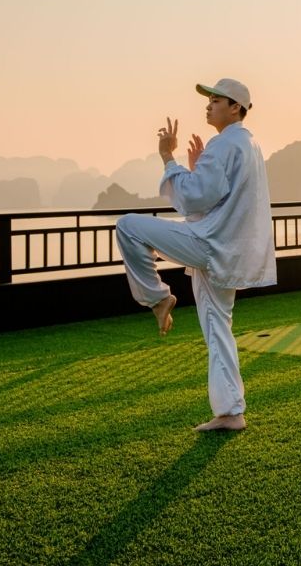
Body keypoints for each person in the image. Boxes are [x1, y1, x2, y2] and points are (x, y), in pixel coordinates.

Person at [115, 78, 277, 431]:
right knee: (218, 327)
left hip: (210, 244)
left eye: (215, 100)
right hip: (227, 251)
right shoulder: (248, 144)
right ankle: (230, 412)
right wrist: (199, 167)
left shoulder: (225, 143)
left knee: (127, 226)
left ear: (235, 107)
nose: (208, 105)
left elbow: (192, 198)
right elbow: (214, 197)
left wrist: (168, 158)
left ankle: (157, 297)